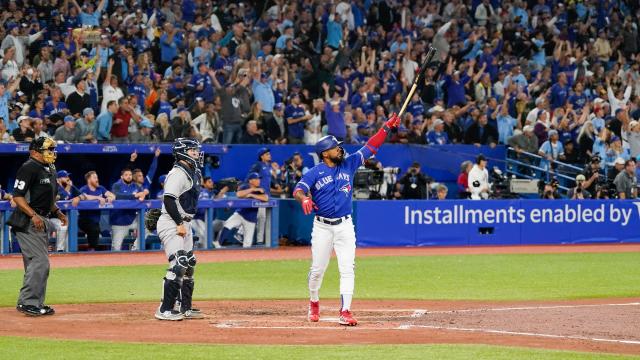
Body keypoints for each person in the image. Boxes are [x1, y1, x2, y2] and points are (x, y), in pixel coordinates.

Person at [293, 113, 401, 326]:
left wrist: (386, 128)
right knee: (317, 270)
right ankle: (314, 302)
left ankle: (346, 311)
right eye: (336, 148)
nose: (340, 149)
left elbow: (371, 147)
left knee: (347, 268)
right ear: (325, 153)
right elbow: (299, 189)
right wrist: (304, 198)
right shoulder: (315, 172)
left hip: (344, 225)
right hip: (322, 227)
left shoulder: (349, 164)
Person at [9, 137, 65, 316]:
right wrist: (33, 215)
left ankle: (36, 303)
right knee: (40, 261)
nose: (51, 153)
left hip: (43, 217)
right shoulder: (28, 167)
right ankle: (28, 302)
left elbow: (47, 197)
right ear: (34, 152)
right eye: (47, 150)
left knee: (36, 263)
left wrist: (57, 212)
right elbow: (17, 196)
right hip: (28, 220)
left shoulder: (50, 168)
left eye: (52, 149)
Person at [155, 138, 204, 321]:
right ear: (182, 152)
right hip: (172, 221)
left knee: (189, 263)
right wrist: (178, 223)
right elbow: (168, 199)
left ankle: (185, 308)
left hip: (185, 222)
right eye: (192, 150)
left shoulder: (193, 172)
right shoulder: (178, 173)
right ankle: (165, 309)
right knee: (179, 262)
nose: (196, 153)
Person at [216, 172, 269, 248]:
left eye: (259, 179)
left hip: (251, 218)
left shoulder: (260, 189)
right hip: (240, 214)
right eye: (256, 179)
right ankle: (218, 244)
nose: (258, 180)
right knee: (227, 225)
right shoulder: (245, 186)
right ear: (250, 181)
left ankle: (243, 257)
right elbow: (239, 194)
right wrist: (252, 189)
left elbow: (266, 198)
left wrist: (252, 195)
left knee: (247, 244)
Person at [78, 171, 115, 251]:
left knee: (96, 230)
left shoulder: (100, 188)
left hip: (95, 220)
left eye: (97, 177)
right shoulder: (84, 189)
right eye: (94, 178)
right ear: (88, 179)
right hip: (84, 220)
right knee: (95, 229)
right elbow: (85, 196)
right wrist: (98, 198)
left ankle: (91, 249)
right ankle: (91, 249)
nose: (97, 179)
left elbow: (112, 195)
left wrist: (110, 198)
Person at [109, 169, 145, 251]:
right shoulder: (116, 185)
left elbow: (142, 195)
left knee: (147, 226)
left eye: (130, 175)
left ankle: (135, 248)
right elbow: (117, 196)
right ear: (121, 177)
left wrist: (143, 195)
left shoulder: (136, 186)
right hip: (119, 222)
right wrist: (134, 196)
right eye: (126, 175)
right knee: (116, 249)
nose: (129, 176)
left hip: (133, 220)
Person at [52, 170, 81, 252]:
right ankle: (60, 250)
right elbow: (63, 197)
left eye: (68, 176)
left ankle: (66, 253)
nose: (68, 178)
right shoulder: (55, 187)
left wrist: (78, 197)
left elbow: (82, 195)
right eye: (65, 177)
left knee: (67, 233)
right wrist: (68, 187)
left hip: (64, 217)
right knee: (63, 227)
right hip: (52, 217)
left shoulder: (69, 187)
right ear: (59, 179)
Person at [250, 147, 273, 244]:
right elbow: (249, 177)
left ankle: (260, 240)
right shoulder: (257, 165)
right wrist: (253, 189)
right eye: (267, 154)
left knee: (262, 218)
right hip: (258, 195)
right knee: (256, 216)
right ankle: (241, 233)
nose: (269, 155)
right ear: (262, 156)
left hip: (265, 195)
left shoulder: (267, 166)